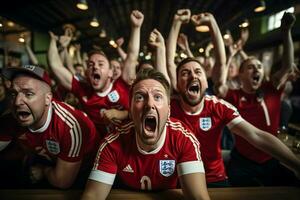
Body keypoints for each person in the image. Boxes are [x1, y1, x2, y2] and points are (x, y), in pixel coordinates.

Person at [165, 10, 300, 187]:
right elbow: (167, 64)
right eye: (185, 73)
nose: (193, 76)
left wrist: (297, 165)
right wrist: (175, 24)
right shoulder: (168, 106)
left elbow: (257, 135)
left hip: (214, 178)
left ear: (208, 82)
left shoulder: (218, 106)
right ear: (177, 83)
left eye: (198, 72)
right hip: (179, 179)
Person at [81, 68, 210, 200]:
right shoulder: (112, 144)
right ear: (130, 111)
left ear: (169, 110)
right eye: (140, 97)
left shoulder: (184, 139)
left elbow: (198, 197)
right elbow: (93, 195)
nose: (149, 104)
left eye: (157, 97)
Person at [213, 12, 300, 186]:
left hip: (271, 158)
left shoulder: (271, 89)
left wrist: (286, 31)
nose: (256, 70)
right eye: (251, 67)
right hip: (242, 161)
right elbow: (219, 84)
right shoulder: (234, 96)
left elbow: (287, 65)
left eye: (259, 67)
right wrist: (231, 54)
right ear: (241, 74)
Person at [1, 65, 100, 189]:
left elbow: (62, 182)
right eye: (13, 94)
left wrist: (43, 171)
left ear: (48, 98)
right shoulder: (10, 119)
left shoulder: (70, 126)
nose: (17, 102)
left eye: (28, 94)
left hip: (82, 172)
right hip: (46, 161)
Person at [48, 10, 144, 138]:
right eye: (91, 65)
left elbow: (131, 56)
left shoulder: (122, 84)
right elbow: (55, 66)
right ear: (87, 72)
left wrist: (136, 27)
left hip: (128, 145)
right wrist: (54, 42)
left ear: (111, 72)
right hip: (100, 148)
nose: (95, 67)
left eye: (100, 64)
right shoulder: (82, 89)